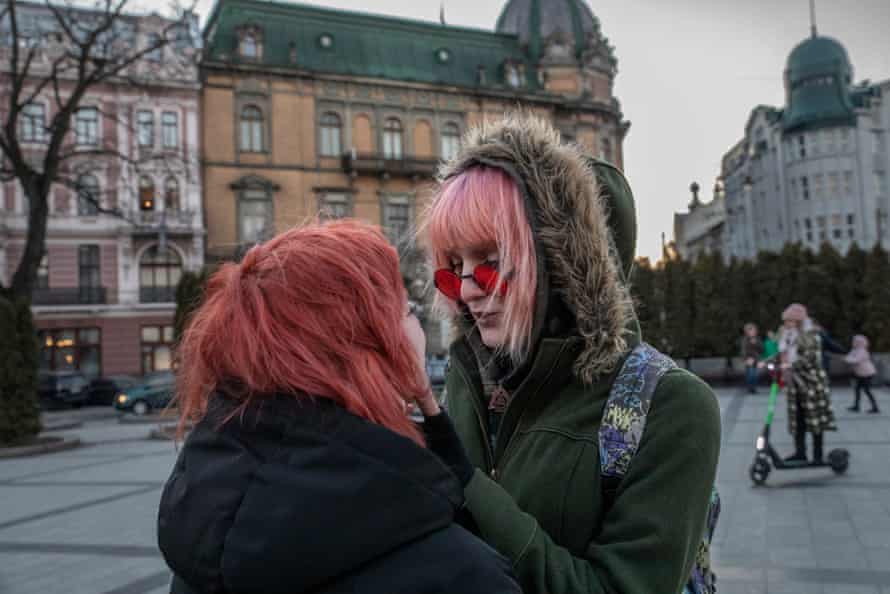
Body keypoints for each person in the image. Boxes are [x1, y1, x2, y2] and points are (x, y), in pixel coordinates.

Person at [415, 115, 721, 594]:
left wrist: (468, 485)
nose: (468, 291)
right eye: (454, 268)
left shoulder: (671, 406)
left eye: (491, 263)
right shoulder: (468, 376)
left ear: (563, 267)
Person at [157, 221, 520, 594]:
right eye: (407, 311)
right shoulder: (462, 575)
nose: (418, 330)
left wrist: (431, 414)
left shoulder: (201, 544)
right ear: (366, 349)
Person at [779, 303, 837, 463]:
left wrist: (791, 365)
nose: (786, 324)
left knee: (815, 418)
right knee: (798, 419)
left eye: (789, 320)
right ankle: (800, 452)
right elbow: (783, 353)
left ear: (798, 320)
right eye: (786, 321)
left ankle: (818, 456)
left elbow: (812, 358)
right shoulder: (789, 335)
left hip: (811, 382)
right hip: (795, 383)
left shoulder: (811, 335)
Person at [844, 334, 881, 413]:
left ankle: (875, 407)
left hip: (867, 373)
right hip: (860, 373)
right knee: (857, 389)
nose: (853, 343)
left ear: (860, 342)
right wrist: (847, 359)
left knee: (866, 390)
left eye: (855, 341)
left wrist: (847, 359)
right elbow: (849, 357)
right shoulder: (854, 350)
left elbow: (855, 360)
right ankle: (856, 406)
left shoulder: (862, 351)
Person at [741, 323, 764, 393]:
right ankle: (750, 388)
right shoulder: (745, 340)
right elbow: (743, 350)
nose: (753, 332)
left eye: (754, 331)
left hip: (757, 359)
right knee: (750, 374)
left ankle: (753, 388)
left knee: (755, 374)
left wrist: (756, 343)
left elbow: (762, 350)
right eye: (751, 331)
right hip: (749, 360)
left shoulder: (758, 339)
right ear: (747, 332)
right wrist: (746, 359)